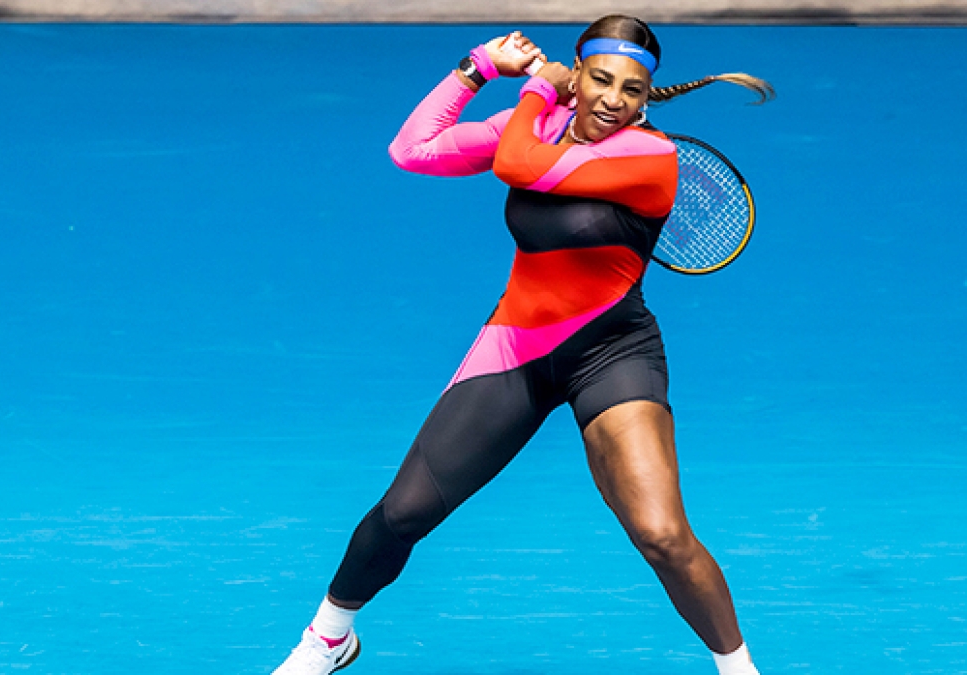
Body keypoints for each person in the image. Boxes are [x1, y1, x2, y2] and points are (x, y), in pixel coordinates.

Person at [270, 15, 774, 675]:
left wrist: (538, 87)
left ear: (645, 98)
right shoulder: (532, 124)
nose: (613, 100)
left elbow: (518, 164)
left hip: (613, 352)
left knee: (661, 533)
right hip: (516, 348)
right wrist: (477, 68)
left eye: (631, 89)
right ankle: (329, 638)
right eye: (600, 79)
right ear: (579, 72)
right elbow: (412, 150)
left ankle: (739, 669)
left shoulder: (649, 156)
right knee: (404, 511)